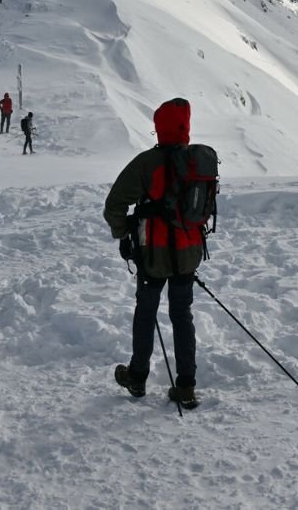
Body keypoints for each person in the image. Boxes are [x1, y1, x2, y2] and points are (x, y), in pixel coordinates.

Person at [104, 98, 203, 407]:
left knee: (146, 313)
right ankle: (186, 385)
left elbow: (114, 205)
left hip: (154, 255)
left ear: (160, 127)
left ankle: (138, 376)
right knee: (182, 315)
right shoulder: (198, 161)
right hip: (189, 252)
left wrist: (123, 234)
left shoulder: (147, 163)